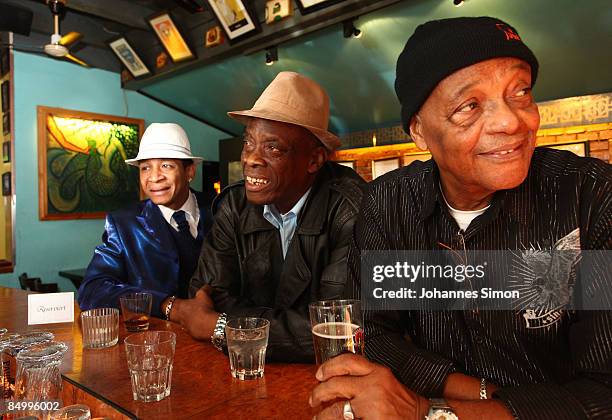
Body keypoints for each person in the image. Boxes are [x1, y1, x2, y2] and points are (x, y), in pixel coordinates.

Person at [310, 17, 612, 419]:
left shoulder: (588, 198)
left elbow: (604, 390)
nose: (511, 122)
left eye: (520, 92)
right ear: (419, 131)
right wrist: (477, 393)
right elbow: (378, 332)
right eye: (469, 106)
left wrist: (431, 412)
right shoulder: (390, 204)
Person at [166, 71, 365, 362]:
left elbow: (339, 328)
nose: (250, 159)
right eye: (248, 143)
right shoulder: (234, 205)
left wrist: (223, 326)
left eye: (272, 148)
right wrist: (286, 330)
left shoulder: (352, 210)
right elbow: (206, 295)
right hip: (240, 370)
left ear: (314, 160)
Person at [78, 123, 212, 318]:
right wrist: (168, 305)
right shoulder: (123, 223)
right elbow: (92, 290)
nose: (154, 177)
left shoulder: (221, 209)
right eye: (145, 168)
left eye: (166, 165)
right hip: (158, 342)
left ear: (189, 171)